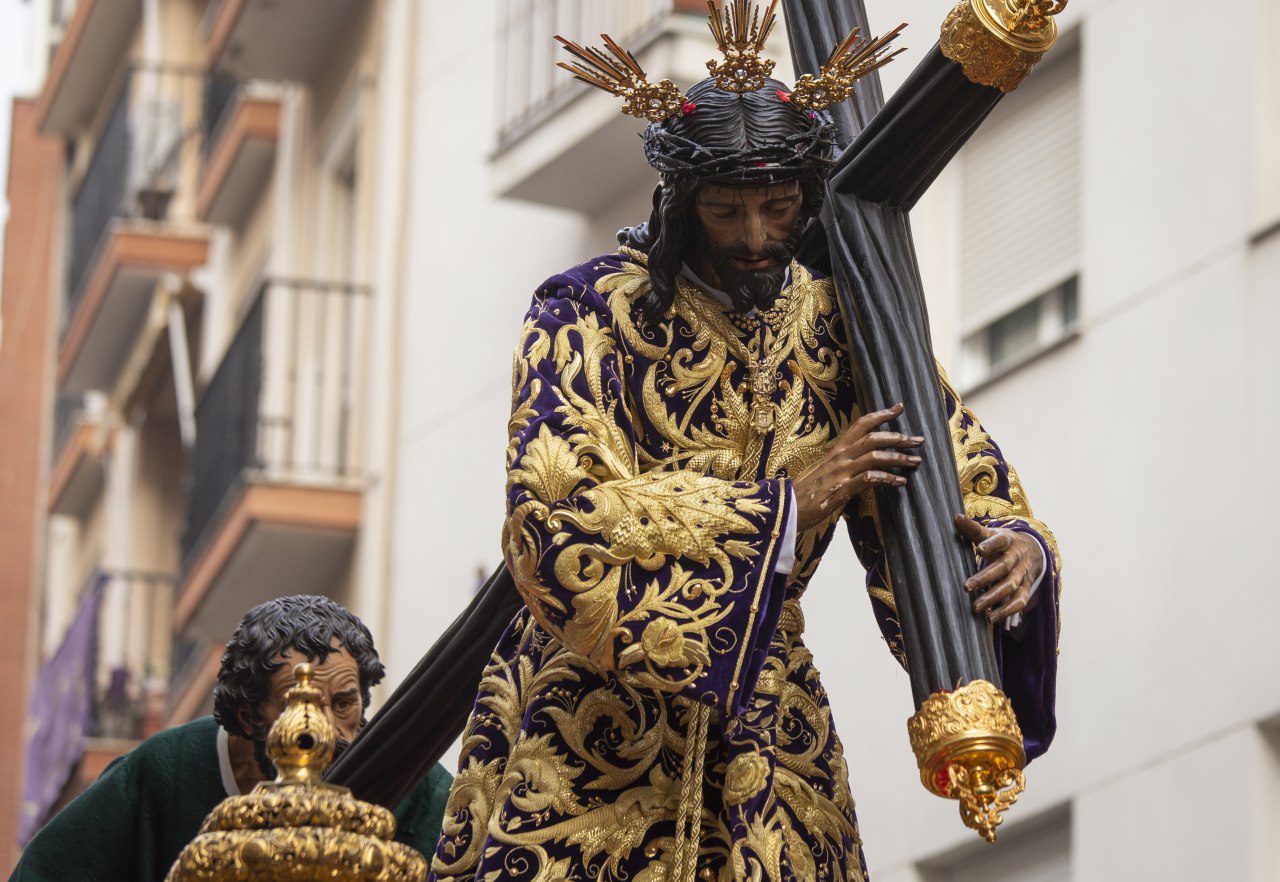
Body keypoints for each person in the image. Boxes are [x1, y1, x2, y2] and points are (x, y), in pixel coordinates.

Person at [427, 4, 1061, 882]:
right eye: (728, 211)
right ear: (683, 205)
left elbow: (952, 467)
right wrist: (788, 506)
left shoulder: (845, 326)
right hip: (583, 728)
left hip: (767, 733)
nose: (759, 237)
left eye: (778, 206)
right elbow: (553, 525)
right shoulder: (586, 312)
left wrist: (1014, 551)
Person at [12, 595, 453, 881]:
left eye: (343, 704)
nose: (325, 732)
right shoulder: (162, 774)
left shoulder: (416, 785)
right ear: (247, 713)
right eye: (298, 706)